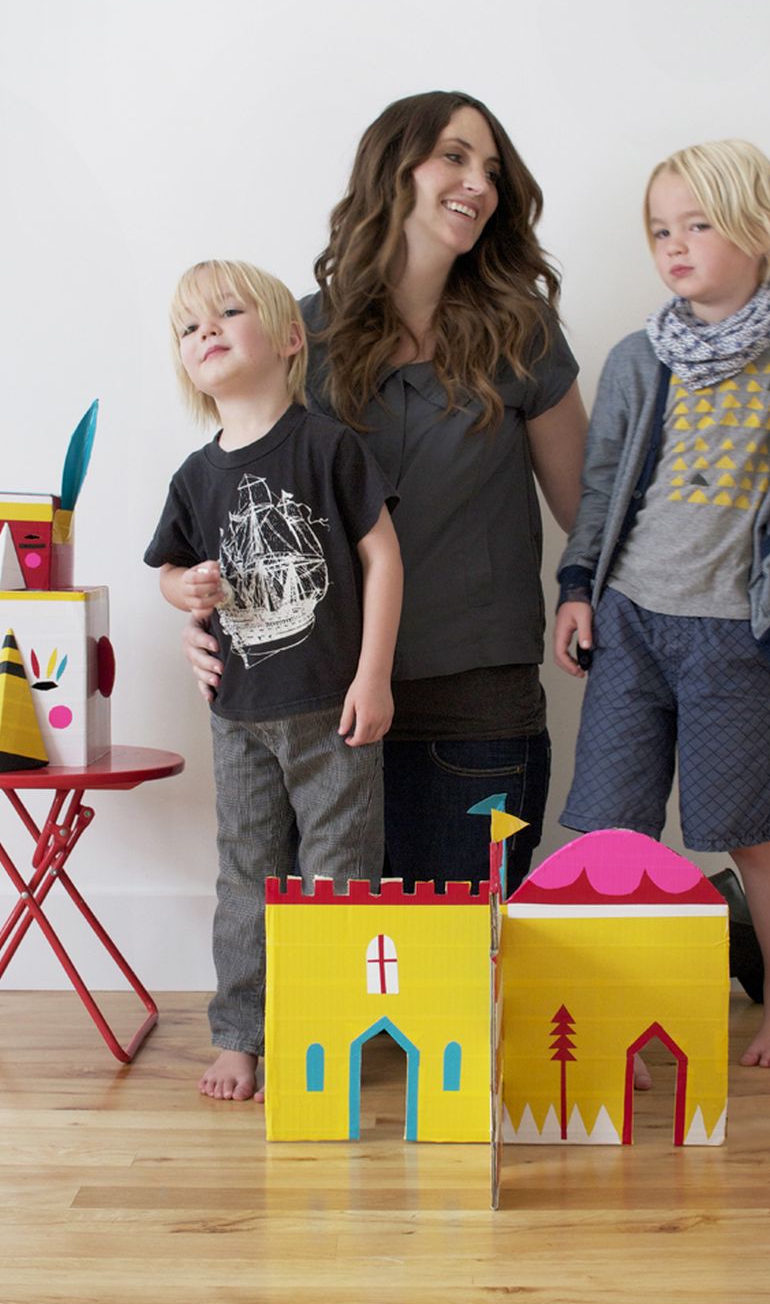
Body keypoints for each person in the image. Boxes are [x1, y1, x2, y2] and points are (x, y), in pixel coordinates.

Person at [182, 92, 588, 892]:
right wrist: (197, 613)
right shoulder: (296, 336)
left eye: (492, 170)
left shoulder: (523, 334)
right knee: (324, 965)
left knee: (462, 960)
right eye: (455, 157)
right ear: (392, 171)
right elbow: (235, 492)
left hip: (474, 715)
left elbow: (589, 512)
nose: (479, 183)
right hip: (313, 712)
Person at [553, 139, 770, 1070]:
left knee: (746, 827)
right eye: (661, 229)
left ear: (760, 230)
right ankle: (617, 1006)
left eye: (698, 224)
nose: (675, 245)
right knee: (612, 830)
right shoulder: (636, 359)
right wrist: (576, 588)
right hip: (629, 622)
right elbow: (603, 485)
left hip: (735, 632)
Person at [145, 260, 402, 1101]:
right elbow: (169, 571)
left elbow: (382, 558)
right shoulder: (195, 477)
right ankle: (242, 1034)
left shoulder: (328, 447)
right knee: (245, 874)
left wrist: (374, 675)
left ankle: (329, 1027)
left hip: (332, 708)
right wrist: (184, 590)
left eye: (227, 312)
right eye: (189, 327)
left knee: (340, 875)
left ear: (291, 338)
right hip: (239, 712)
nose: (206, 332)